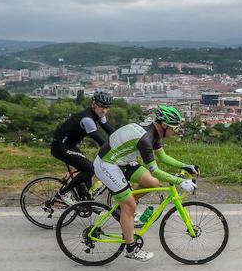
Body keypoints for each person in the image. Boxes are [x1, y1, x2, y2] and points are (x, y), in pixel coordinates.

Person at [93, 105, 199, 261]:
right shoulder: (146, 139)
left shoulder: (154, 131)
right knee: (129, 205)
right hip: (107, 164)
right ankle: (131, 249)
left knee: (152, 182)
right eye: (174, 128)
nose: (176, 131)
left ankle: (123, 212)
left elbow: (162, 157)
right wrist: (180, 181)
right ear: (164, 125)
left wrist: (184, 166)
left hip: (122, 161)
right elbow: (155, 169)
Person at [51, 90, 115, 205]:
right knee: (90, 168)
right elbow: (101, 141)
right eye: (101, 106)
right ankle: (62, 194)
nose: (104, 110)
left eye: (107, 107)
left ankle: (85, 200)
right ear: (94, 104)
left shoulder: (99, 115)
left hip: (69, 145)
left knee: (87, 167)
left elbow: (111, 131)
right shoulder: (87, 119)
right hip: (60, 146)